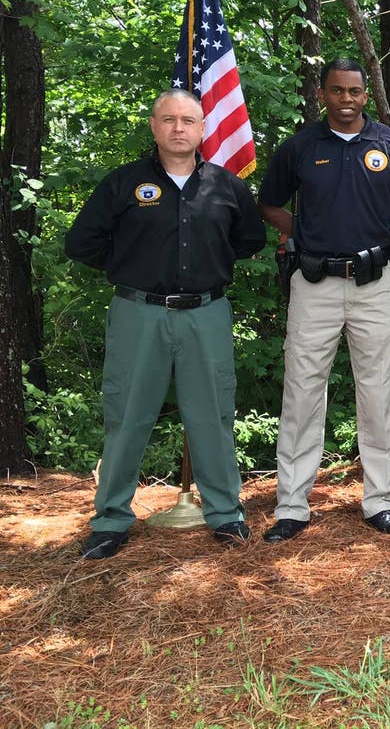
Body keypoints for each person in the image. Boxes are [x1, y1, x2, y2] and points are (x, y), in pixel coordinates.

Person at [65, 90, 266, 558]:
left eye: (188, 120)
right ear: (154, 126)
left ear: (202, 130)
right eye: (169, 119)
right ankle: (111, 520)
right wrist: (132, 266)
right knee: (127, 416)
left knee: (213, 416)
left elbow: (249, 237)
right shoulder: (124, 183)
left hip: (206, 314)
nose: (179, 128)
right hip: (139, 314)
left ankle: (224, 514)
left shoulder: (227, 186)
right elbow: (82, 243)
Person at [258, 58, 390, 542]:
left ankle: (380, 500)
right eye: (338, 91)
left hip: (375, 284)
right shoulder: (299, 147)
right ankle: (292, 504)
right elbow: (269, 202)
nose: (347, 99)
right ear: (322, 95)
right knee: (303, 389)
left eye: (355, 91)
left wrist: (384, 238)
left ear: (364, 96)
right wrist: (305, 234)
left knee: (377, 390)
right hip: (313, 284)